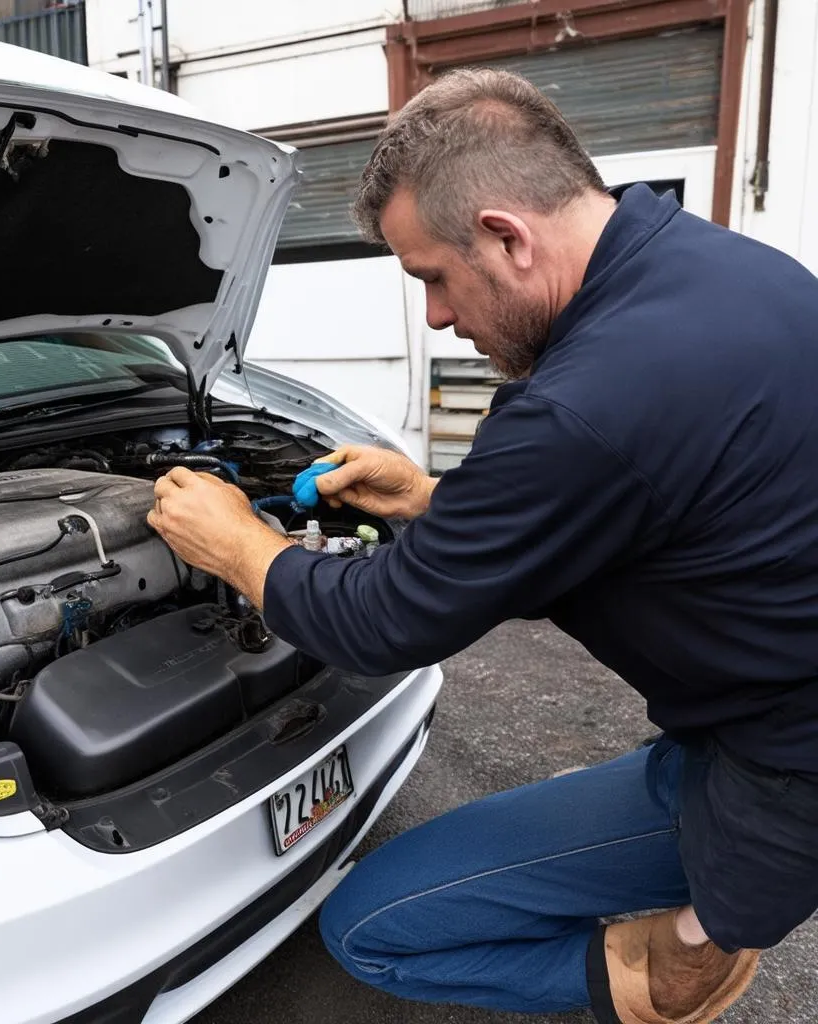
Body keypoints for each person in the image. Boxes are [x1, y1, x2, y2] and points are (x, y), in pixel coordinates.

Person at [147, 68, 818, 1024]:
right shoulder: (717, 266)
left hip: (780, 768)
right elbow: (637, 496)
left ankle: (678, 965)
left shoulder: (587, 404)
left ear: (507, 234)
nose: (435, 316)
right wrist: (430, 498)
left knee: (369, 929)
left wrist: (242, 547)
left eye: (430, 277)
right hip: (751, 708)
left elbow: (385, 622)